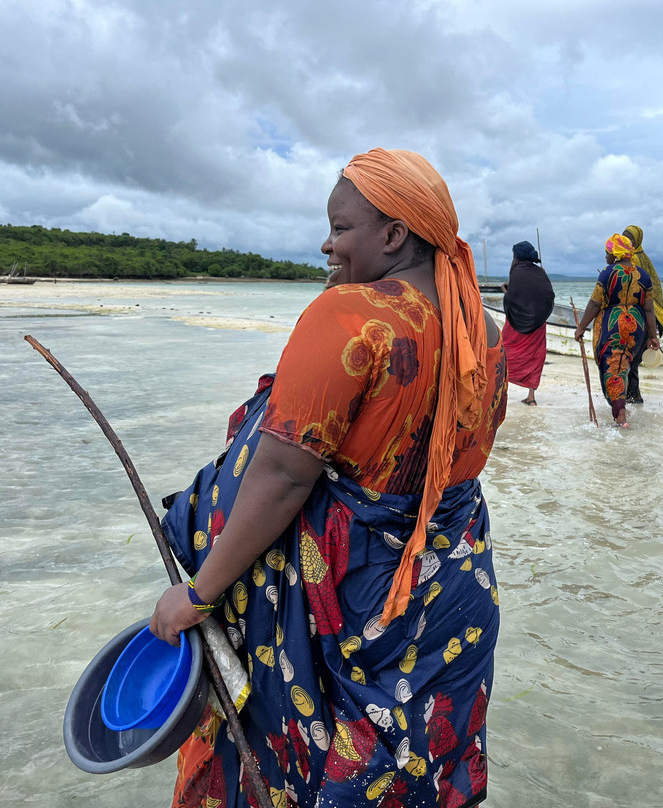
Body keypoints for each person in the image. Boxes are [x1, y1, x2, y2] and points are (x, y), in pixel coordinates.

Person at [150, 148, 508, 808]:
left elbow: (283, 477)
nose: (328, 242)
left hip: (351, 603)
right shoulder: (484, 332)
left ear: (394, 235)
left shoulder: (351, 318)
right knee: (412, 772)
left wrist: (199, 593)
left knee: (297, 769)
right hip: (452, 595)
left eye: (341, 227)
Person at [573, 233, 660, 427]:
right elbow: (649, 309)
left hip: (612, 326)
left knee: (612, 366)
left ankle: (621, 415)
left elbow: (595, 303)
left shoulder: (607, 273)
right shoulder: (643, 276)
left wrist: (581, 327)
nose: (606, 257)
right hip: (636, 326)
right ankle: (622, 409)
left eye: (607, 253)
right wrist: (652, 336)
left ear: (616, 253)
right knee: (623, 365)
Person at [499, 240, 555, 405]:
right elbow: (548, 295)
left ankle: (502, 389)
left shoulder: (517, 272)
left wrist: (504, 290)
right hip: (538, 322)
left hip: (517, 323)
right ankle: (531, 397)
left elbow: (513, 297)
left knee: (505, 353)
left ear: (516, 256)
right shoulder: (541, 272)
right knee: (535, 357)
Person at [622, 225, 663, 404]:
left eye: (629, 239)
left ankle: (632, 397)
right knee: (633, 359)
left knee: (631, 359)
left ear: (636, 241)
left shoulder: (635, 260)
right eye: (624, 238)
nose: (626, 241)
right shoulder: (640, 258)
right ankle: (633, 395)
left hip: (642, 315)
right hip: (645, 315)